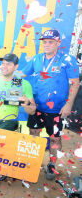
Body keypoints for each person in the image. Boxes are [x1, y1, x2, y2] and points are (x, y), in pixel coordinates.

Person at [20, 29, 80, 180]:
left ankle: (51, 165)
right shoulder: (36, 59)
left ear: (58, 43)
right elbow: (20, 75)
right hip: (37, 107)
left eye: (51, 42)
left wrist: (68, 105)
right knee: (34, 134)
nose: (47, 45)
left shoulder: (68, 59)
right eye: (44, 42)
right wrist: (8, 80)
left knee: (55, 139)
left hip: (57, 109)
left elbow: (75, 84)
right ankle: (34, 161)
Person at [0, 53, 36, 182]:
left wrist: (27, 103)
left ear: (16, 67)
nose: (4, 66)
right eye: (3, 63)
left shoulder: (22, 84)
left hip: (10, 120)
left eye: (8, 64)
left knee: (1, 133)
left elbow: (32, 111)